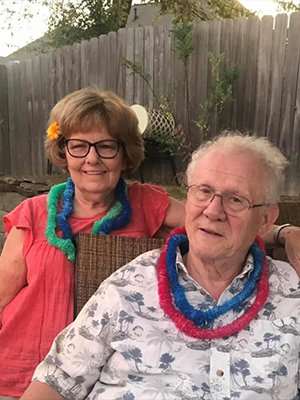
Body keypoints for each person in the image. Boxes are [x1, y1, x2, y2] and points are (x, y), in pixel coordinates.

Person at [22, 133, 300, 400]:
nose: (213, 211)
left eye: (236, 199)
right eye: (203, 191)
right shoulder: (128, 286)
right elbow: (56, 382)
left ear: (265, 219)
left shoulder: (292, 292)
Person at [0, 86, 185, 398]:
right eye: (79, 146)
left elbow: (215, 219)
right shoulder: (33, 214)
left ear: (125, 153)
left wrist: (283, 232)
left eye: (106, 146)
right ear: (64, 151)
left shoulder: (146, 204)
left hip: (108, 381)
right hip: (20, 374)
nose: (92, 159)